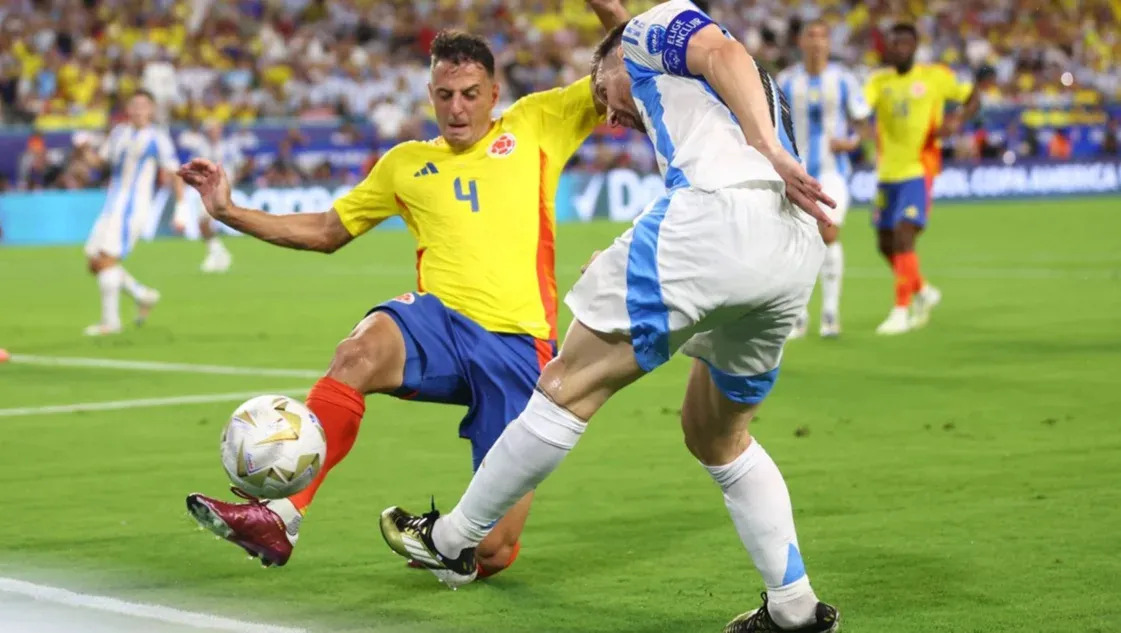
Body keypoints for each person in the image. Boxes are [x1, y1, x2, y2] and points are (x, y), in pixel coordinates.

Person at [378, 2, 841, 631]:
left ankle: (453, 539)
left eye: (603, 90)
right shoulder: (711, 91)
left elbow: (707, 50)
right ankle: (794, 608)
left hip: (720, 219)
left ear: (621, 57)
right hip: (789, 252)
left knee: (566, 384)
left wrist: (769, 153)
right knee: (717, 435)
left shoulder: (657, 32)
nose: (613, 114)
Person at [177, 24, 613, 580]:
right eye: (445, 95)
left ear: (494, 95)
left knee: (492, 552)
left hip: (518, 347)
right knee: (356, 353)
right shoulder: (405, 164)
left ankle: (446, 541)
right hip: (439, 325)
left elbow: (624, 63)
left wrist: (606, 12)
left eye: (470, 94)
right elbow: (326, 229)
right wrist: (229, 211)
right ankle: (282, 515)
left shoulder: (538, 123)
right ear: (430, 94)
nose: (457, 108)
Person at [863, 23, 979, 335]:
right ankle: (923, 291)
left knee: (903, 234)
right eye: (894, 43)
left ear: (915, 46)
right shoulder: (878, 81)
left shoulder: (935, 76)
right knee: (885, 243)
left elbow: (973, 96)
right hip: (887, 173)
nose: (900, 48)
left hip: (919, 168)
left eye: (905, 43)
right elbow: (860, 108)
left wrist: (957, 120)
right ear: (887, 48)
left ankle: (901, 309)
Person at [778, 19, 871, 339]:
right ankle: (798, 315)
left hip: (834, 171)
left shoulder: (844, 79)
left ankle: (830, 313)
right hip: (796, 173)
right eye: (811, 36)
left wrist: (852, 142)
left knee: (827, 232)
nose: (817, 42)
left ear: (829, 44)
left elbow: (862, 125)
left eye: (822, 37)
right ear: (801, 42)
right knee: (796, 241)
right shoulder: (787, 80)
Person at [81, 89, 184, 336]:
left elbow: (173, 172)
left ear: (151, 110)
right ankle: (142, 294)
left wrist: (180, 209)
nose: (138, 110)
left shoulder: (157, 137)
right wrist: (83, 149)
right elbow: (100, 163)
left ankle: (111, 322)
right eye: (134, 105)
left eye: (144, 105)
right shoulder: (119, 133)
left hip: (132, 208)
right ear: (128, 109)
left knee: (106, 259)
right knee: (93, 260)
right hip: (111, 205)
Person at [174, 119, 240, 273]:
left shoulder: (229, 146)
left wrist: (233, 179)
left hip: (222, 188)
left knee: (206, 220)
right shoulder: (201, 146)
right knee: (202, 222)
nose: (213, 132)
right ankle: (218, 253)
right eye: (211, 129)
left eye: (216, 129)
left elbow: (241, 163)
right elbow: (193, 165)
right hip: (206, 188)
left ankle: (216, 254)